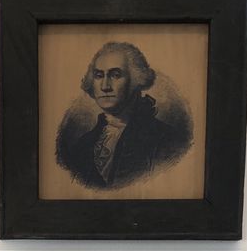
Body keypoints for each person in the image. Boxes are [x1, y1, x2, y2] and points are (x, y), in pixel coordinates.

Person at [55, 41, 193, 190]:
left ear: (136, 80)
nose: (105, 86)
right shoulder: (83, 144)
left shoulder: (165, 139)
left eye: (115, 75)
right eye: (99, 75)